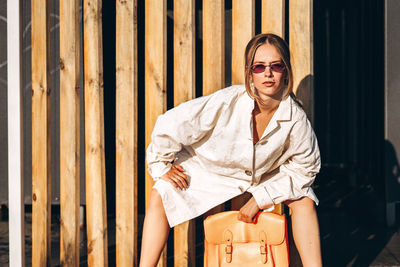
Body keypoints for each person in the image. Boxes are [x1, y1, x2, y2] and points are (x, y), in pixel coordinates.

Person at [140, 33, 322, 267]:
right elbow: (171, 123)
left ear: (285, 70)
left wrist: (261, 197)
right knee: (161, 192)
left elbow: (306, 169)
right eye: (259, 67)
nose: (268, 73)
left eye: (276, 66)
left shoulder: (295, 118)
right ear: (249, 72)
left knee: (304, 200)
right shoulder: (227, 102)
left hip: (262, 177)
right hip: (210, 172)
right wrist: (160, 164)